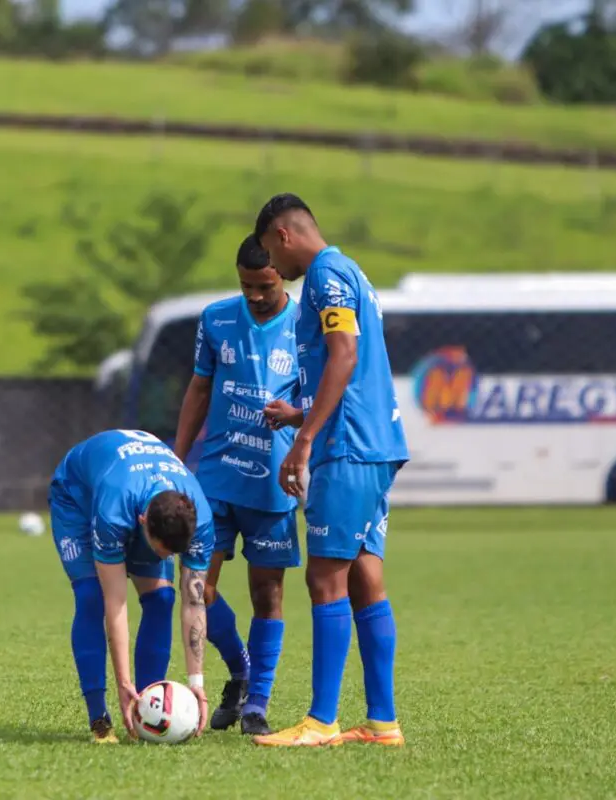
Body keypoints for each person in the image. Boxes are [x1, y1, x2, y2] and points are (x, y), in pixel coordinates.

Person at [251, 193, 410, 748]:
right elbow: (352, 364)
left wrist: (305, 437)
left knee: (324, 577)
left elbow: (343, 352)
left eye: (271, 249)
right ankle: (384, 722)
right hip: (375, 442)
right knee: (364, 574)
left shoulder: (323, 275)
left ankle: (320, 721)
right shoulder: (352, 272)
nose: (274, 265)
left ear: (284, 235)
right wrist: (300, 412)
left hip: (348, 446)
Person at [172, 235, 302, 736]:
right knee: (198, 586)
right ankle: (242, 673)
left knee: (268, 592)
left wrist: (300, 435)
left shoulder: (304, 327)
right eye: (245, 284)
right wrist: (178, 460)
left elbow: (318, 397)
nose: (252, 295)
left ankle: (257, 703)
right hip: (216, 478)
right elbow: (199, 388)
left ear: (282, 278)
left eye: (263, 286)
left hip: (273, 483)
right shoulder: (216, 319)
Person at [49, 429, 213, 744]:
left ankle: (148, 710)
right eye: (162, 549)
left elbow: (194, 603)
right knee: (91, 597)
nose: (166, 558)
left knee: (163, 598)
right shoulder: (114, 511)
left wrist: (197, 682)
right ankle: (99, 718)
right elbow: (117, 601)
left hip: (136, 486)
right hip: (77, 496)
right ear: (142, 522)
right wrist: (124, 682)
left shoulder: (200, 520)